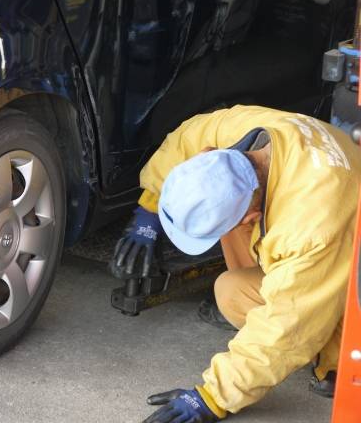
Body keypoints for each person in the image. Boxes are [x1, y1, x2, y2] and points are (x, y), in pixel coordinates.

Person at [111, 105, 361, 422]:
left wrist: (213, 396)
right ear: (210, 153)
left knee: (303, 329)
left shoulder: (311, 226)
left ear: (252, 218)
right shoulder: (242, 132)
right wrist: (146, 218)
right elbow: (184, 141)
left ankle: (334, 363)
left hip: (352, 281)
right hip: (328, 224)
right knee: (232, 291)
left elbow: (285, 326)